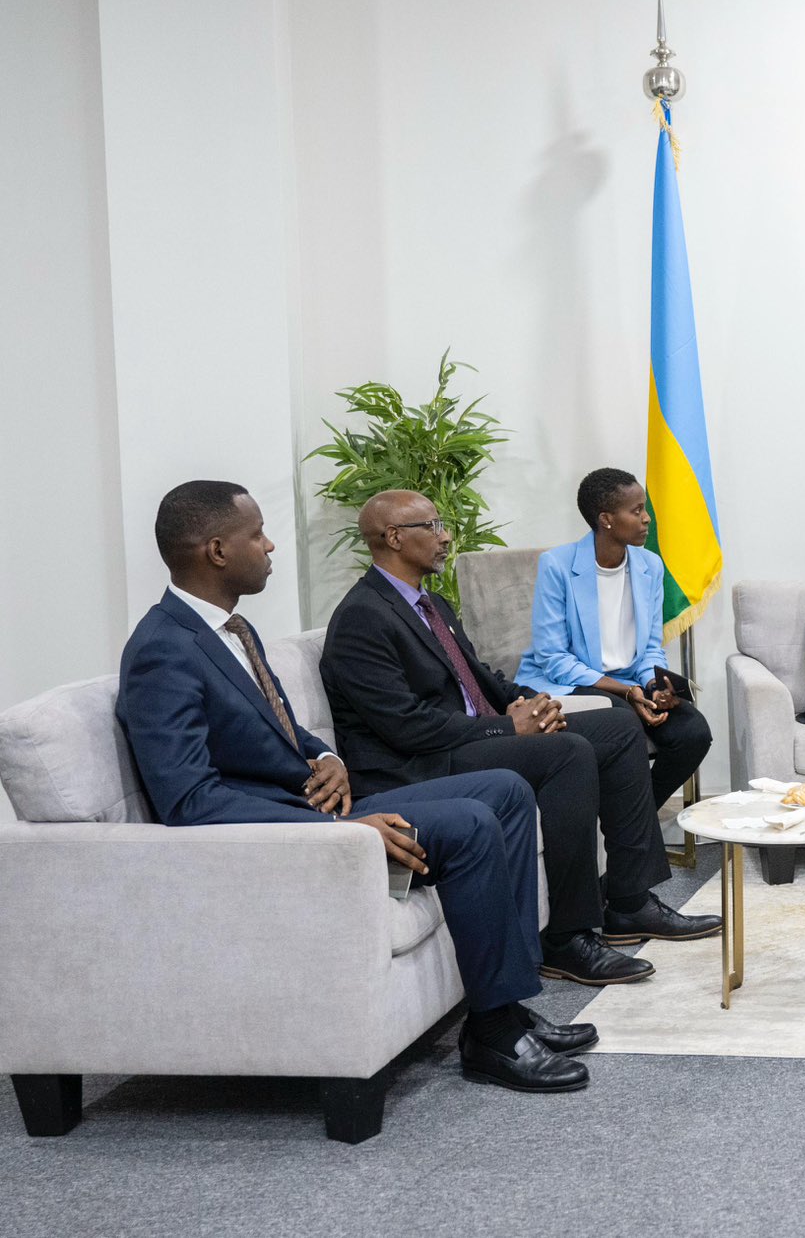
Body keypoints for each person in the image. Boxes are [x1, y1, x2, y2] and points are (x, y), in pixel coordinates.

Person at [118, 480, 592, 1093]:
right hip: (294, 833)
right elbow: (188, 801)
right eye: (257, 535)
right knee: (472, 821)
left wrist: (325, 756)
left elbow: (280, 729)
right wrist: (339, 830)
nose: (270, 546)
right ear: (216, 550)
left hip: (321, 804)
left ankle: (508, 1001)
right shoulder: (162, 650)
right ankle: (493, 1036)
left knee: (503, 790)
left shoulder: (231, 630)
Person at [320, 490, 717, 991]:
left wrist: (532, 702)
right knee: (567, 752)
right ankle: (567, 938)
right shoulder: (363, 616)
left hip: (466, 740)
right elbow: (405, 726)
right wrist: (509, 728)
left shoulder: (431, 603)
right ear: (395, 537)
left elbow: (480, 678)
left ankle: (629, 902)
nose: (446, 537)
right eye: (433, 526)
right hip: (420, 764)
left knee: (618, 729)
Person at [516, 467, 714, 812]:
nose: (646, 518)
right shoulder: (558, 565)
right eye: (636, 511)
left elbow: (650, 647)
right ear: (606, 519)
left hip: (629, 680)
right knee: (625, 723)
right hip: (572, 682)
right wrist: (625, 692)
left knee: (693, 731)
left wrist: (655, 685)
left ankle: (633, 816)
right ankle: (631, 824)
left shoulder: (650, 565)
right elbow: (553, 657)